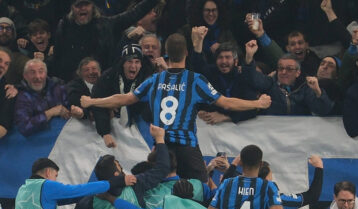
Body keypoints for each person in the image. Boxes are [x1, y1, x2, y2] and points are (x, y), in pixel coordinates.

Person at [81, 33, 271, 182]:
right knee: (200, 193)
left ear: (166, 53)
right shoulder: (195, 81)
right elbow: (227, 103)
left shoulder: (154, 80)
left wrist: (93, 101)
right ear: (187, 53)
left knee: (161, 194)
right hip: (186, 148)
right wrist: (258, 103)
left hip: (161, 150)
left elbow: (123, 99)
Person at [92, 43, 152, 148]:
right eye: (129, 61)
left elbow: (149, 106)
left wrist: (118, 104)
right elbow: (97, 102)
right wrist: (105, 133)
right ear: (123, 63)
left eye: (137, 62)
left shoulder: (148, 78)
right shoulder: (109, 77)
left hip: (140, 126)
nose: (133, 66)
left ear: (141, 64)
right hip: (112, 125)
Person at [14, 58, 70, 136]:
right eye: (32, 72)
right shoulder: (21, 96)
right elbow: (24, 127)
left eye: (41, 72)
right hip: (37, 144)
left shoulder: (59, 88)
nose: (37, 76)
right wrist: (49, 113)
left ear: (46, 74)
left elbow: (73, 111)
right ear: (25, 76)